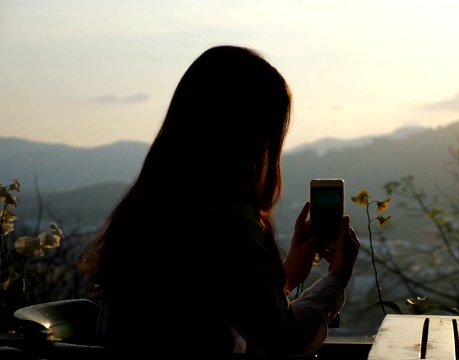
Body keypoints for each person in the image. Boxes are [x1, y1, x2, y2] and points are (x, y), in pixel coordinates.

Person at [78, 45, 361, 358]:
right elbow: (283, 338)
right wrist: (337, 277)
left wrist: (284, 277)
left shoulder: (147, 209)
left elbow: (212, 303)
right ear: (253, 137)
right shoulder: (228, 221)